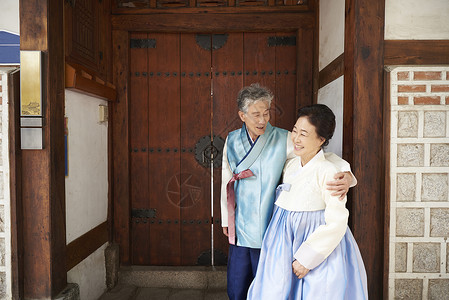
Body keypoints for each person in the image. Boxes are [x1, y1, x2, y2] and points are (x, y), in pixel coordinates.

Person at [220, 84, 357, 300]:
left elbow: (317, 156)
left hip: (269, 222)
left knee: (269, 280)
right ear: (242, 115)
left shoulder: (284, 138)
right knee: (238, 281)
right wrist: (225, 218)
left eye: (266, 113)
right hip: (241, 219)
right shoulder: (232, 139)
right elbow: (226, 179)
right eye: (255, 115)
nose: (262, 120)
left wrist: (347, 173)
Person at [246, 104, 368, 299]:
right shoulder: (291, 163)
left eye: (304, 134)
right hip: (283, 244)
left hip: (317, 246)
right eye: (295, 131)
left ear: (321, 139)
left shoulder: (329, 172)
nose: (296, 138)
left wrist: (307, 259)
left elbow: (337, 221)